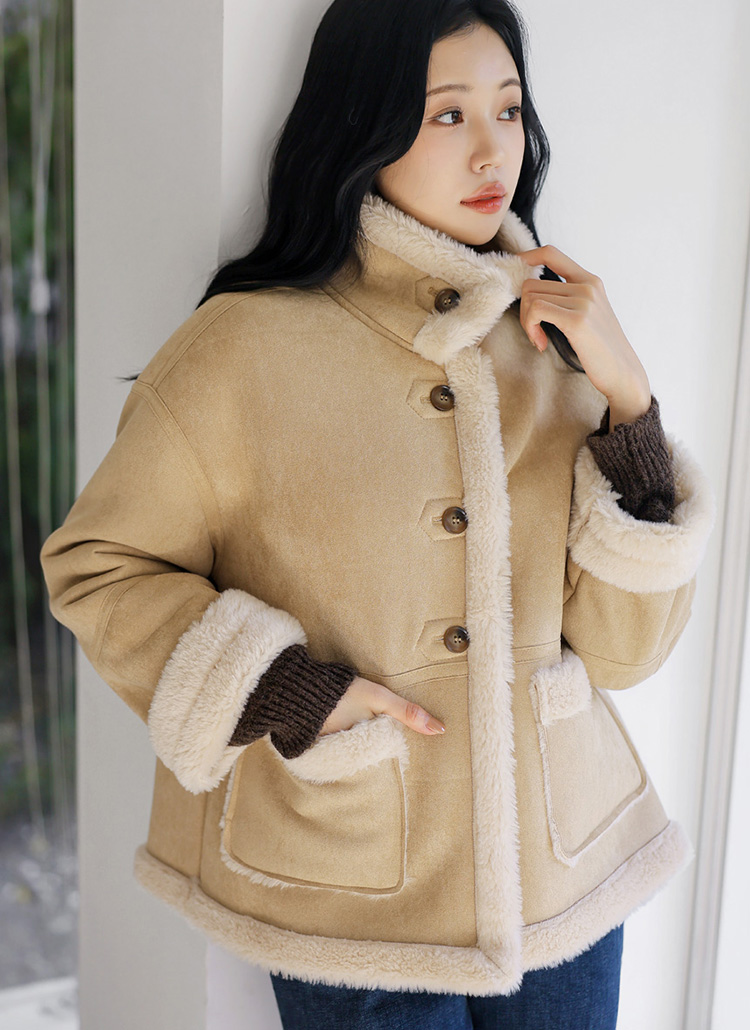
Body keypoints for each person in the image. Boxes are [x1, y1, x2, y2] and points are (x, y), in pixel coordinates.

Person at [39, 0, 716, 1027]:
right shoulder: (243, 349)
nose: (491, 149)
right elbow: (99, 566)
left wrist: (629, 401)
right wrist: (290, 693)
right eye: (447, 114)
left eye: (509, 109)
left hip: (567, 878)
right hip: (355, 892)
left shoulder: (554, 347)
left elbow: (626, 652)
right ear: (364, 122)